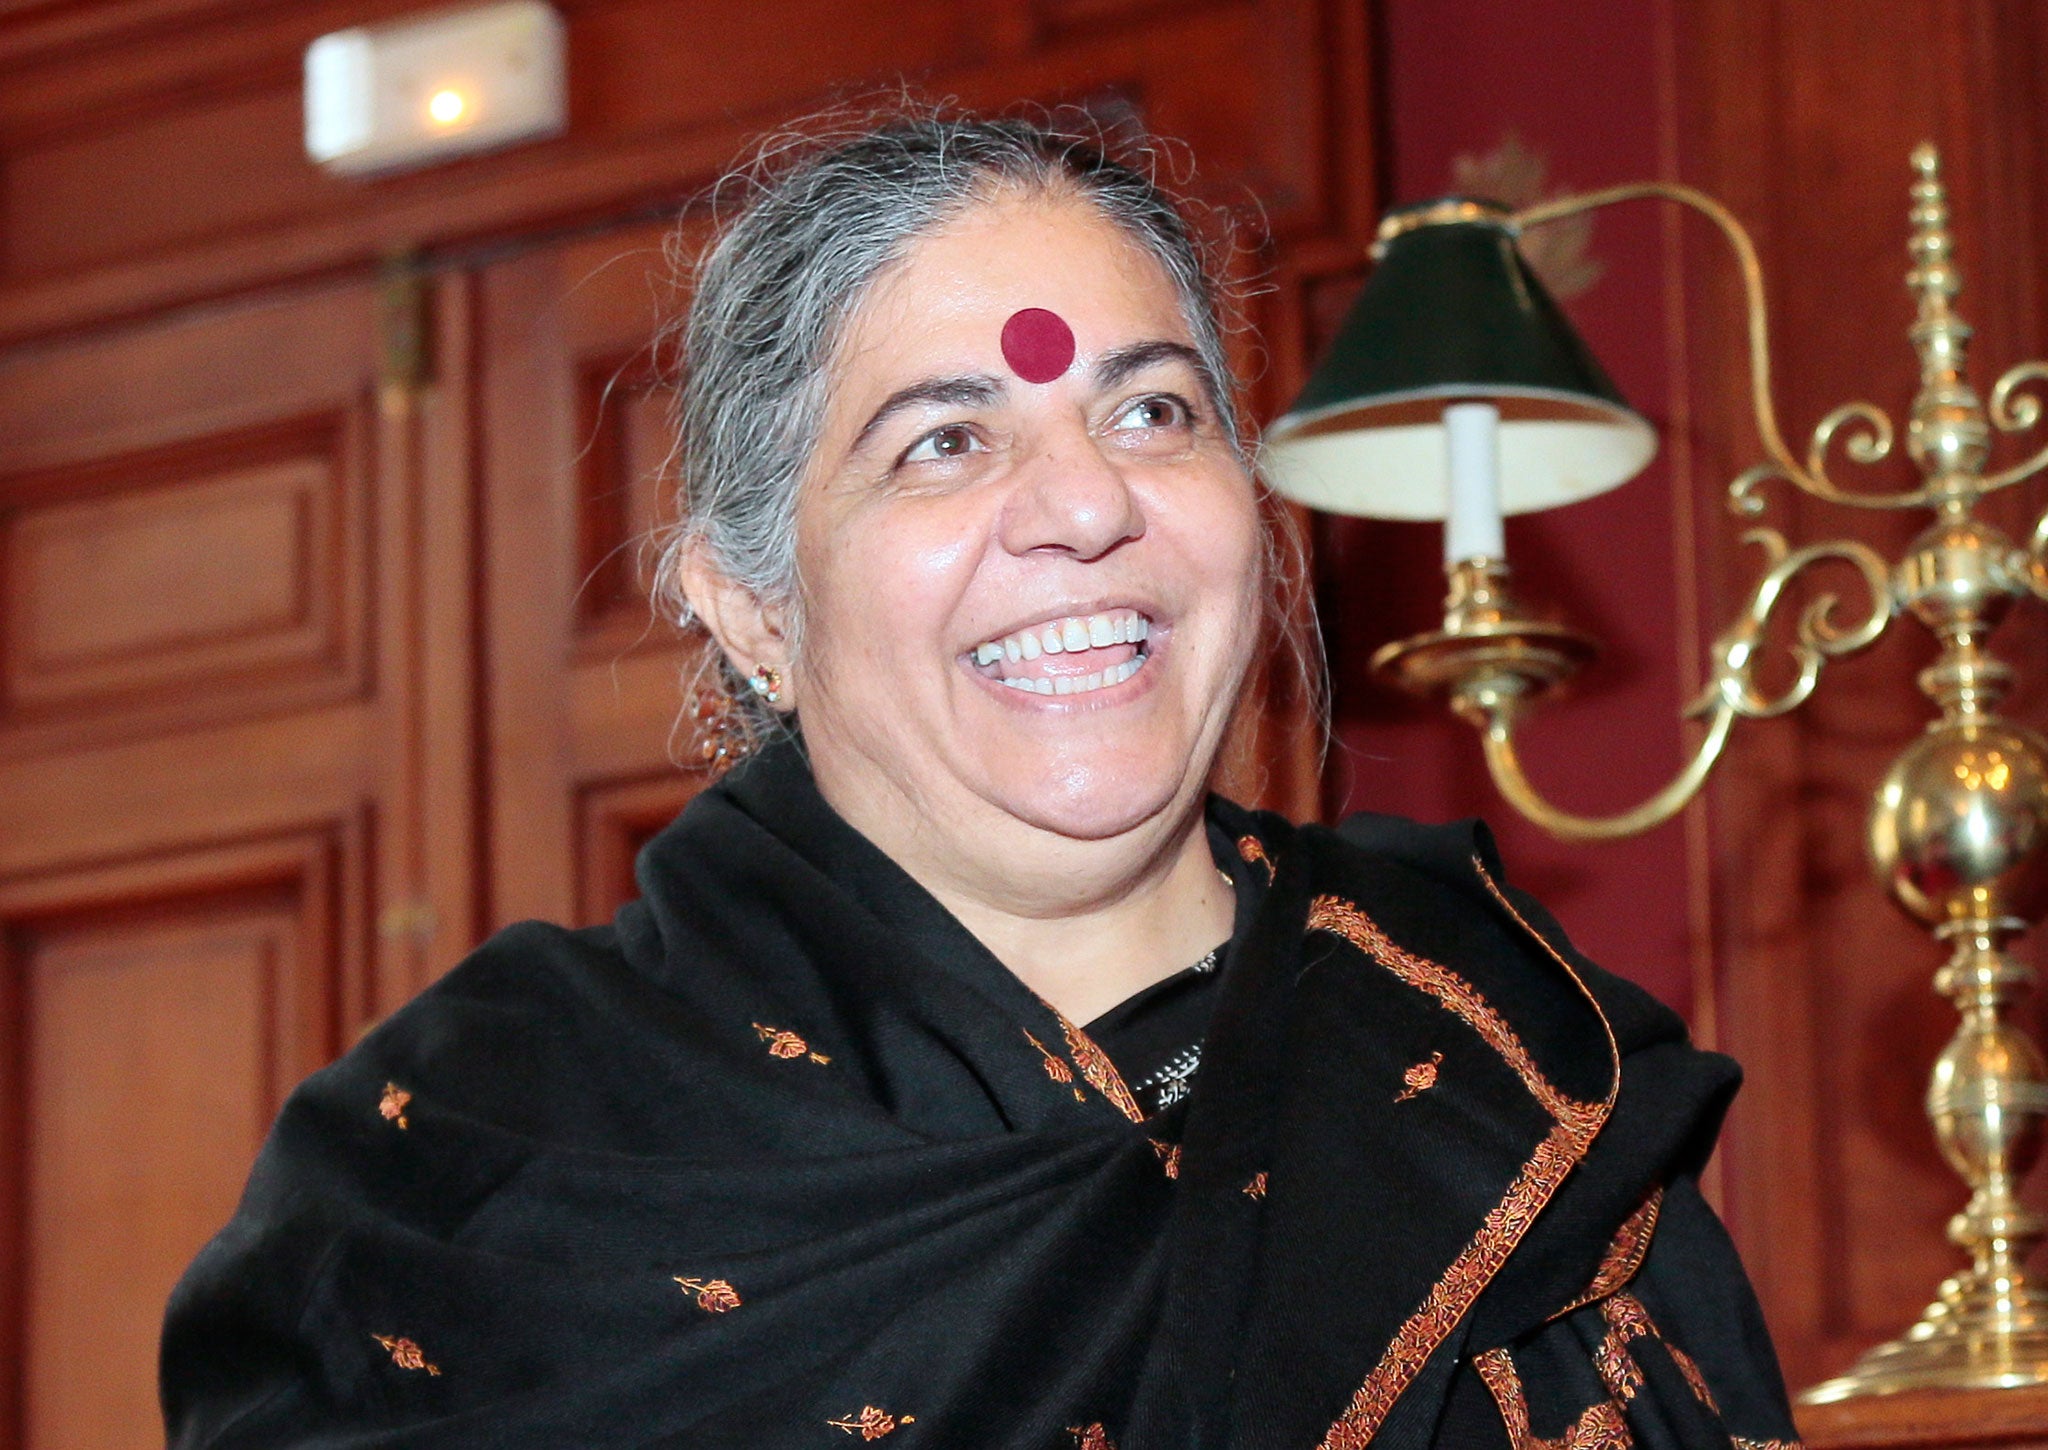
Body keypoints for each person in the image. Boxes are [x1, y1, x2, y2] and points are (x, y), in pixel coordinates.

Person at [161, 108, 1801, 1450]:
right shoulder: (466, 1167)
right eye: (943, 440)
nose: (1085, 503)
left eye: (1152, 409)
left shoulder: (1500, 1055)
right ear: (752, 610)